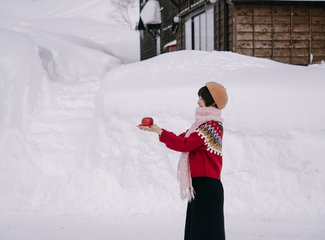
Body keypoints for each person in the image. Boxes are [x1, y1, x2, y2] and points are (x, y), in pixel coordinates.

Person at [137, 82, 228, 240]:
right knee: (196, 232)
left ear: (212, 102)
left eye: (201, 97)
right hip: (199, 185)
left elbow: (183, 145)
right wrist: (157, 130)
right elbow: (181, 140)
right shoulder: (199, 126)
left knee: (204, 234)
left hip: (207, 187)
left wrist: (160, 131)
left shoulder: (212, 127)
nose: (198, 101)